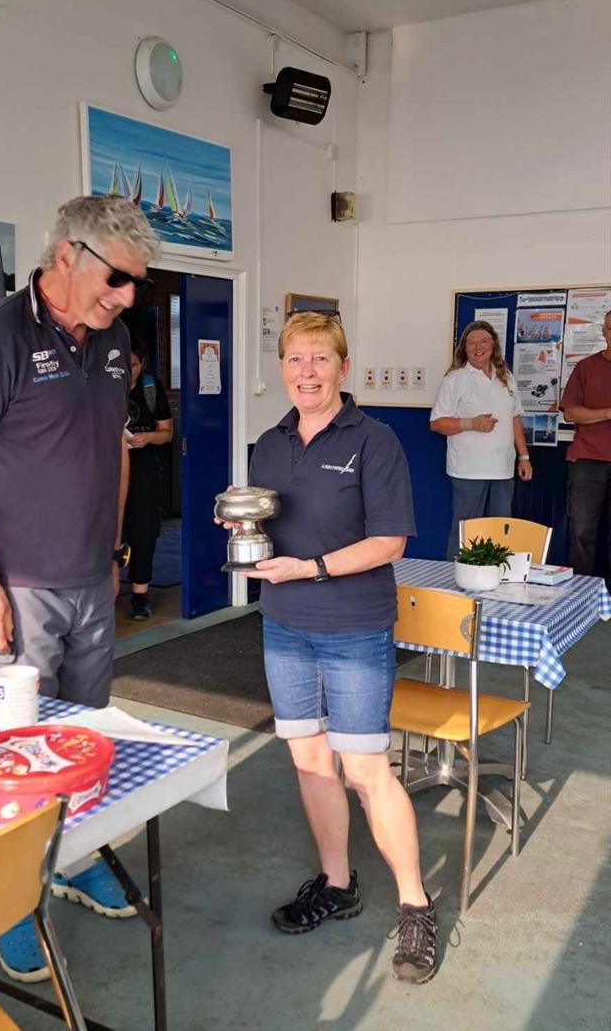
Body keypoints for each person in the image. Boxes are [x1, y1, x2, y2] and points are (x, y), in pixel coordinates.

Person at [0, 195, 161, 981]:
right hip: (18, 588)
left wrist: (117, 548)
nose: (129, 297)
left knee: (84, 740)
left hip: (94, 579)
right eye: (120, 279)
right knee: (13, 759)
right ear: (69, 255)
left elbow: (116, 450)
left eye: (137, 283)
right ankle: (9, 903)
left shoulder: (115, 338)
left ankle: (74, 857)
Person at [226, 311, 439, 984]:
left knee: (365, 769)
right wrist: (238, 519)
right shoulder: (268, 442)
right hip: (285, 624)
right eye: (294, 359)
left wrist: (310, 568)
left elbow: (390, 542)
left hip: (352, 627)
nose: (306, 372)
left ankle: (416, 905)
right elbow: (267, 518)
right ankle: (339, 881)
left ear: (342, 367)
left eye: (319, 359)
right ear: (282, 368)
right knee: (311, 762)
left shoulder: (374, 441)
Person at [430, 320, 533, 560]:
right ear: (464, 349)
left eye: (484, 341)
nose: (478, 347)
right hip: (468, 471)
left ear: (493, 345)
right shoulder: (454, 379)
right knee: (465, 532)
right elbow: (436, 424)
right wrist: (471, 423)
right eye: (472, 343)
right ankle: (454, 583)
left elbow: (514, 418)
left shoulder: (505, 376)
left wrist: (524, 456)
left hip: (502, 469)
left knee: (501, 531)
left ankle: (498, 580)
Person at [561, 309, 611, 589]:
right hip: (587, 460)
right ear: (603, 332)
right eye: (610, 328)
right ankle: (580, 594)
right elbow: (570, 413)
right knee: (581, 531)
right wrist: (606, 414)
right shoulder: (586, 367)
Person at [124, 338, 173, 620]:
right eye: (121, 365)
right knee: (108, 532)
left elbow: (167, 432)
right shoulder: (103, 386)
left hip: (144, 468)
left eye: (132, 365)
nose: (127, 370)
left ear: (141, 364)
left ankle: (139, 595)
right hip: (107, 467)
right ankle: (106, 591)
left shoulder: (151, 388)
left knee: (144, 530)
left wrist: (149, 438)